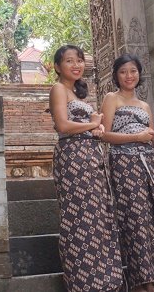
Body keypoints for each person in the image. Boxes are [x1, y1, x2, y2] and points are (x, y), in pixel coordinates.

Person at [101, 54, 154, 292]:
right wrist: (135, 137)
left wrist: (149, 138)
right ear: (116, 76)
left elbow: (151, 136)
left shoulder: (145, 106)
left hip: (148, 164)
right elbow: (105, 135)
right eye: (123, 72)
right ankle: (142, 282)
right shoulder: (111, 99)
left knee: (153, 218)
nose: (129, 76)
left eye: (133, 71)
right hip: (124, 164)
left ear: (139, 74)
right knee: (134, 218)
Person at [49, 44, 124, 292]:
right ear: (58, 67)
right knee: (79, 219)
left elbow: (85, 126)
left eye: (79, 60)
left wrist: (97, 129)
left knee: (99, 216)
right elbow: (63, 126)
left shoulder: (78, 94)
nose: (76, 65)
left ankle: (106, 280)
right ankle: (84, 283)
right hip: (73, 158)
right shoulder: (58, 89)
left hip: (91, 156)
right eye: (69, 61)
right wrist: (92, 125)